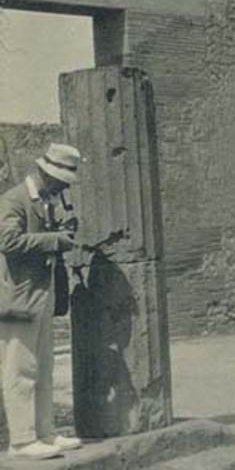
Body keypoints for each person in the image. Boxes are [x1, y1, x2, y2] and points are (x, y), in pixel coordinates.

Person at [0, 144, 85, 460]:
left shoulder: (45, 202)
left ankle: (45, 433)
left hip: (39, 296)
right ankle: (21, 441)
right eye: (61, 181)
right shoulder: (13, 200)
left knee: (43, 368)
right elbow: (7, 241)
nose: (64, 187)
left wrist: (60, 232)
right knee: (19, 369)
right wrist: (55, 240)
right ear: (46, 174)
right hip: (17, 299)